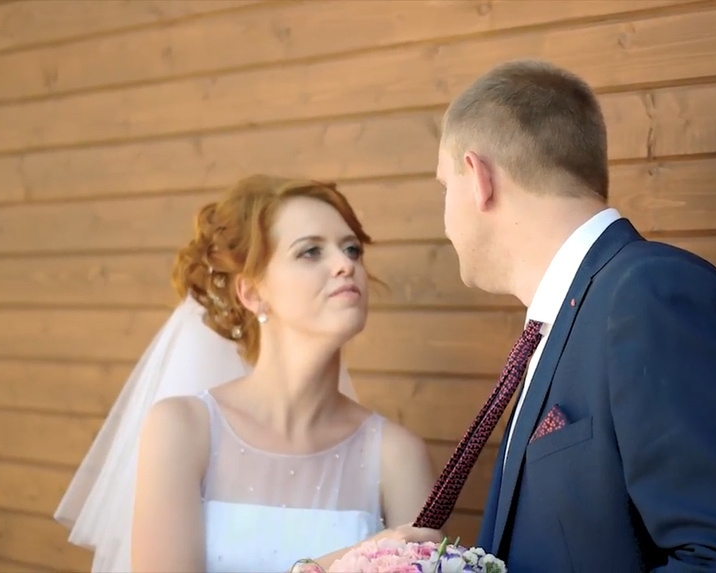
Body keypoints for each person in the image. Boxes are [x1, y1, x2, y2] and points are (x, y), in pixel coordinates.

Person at [417, 59, 716, 570]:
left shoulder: (653, 295)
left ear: (478, 178)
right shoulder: (569, 319)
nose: (445, 221)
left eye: (444, 187)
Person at [55, 175, 440, 573]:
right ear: (252, 293)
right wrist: (353, 559)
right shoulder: (183, 428)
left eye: (352, 249)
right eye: (310, 251)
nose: (346, 265)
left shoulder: (397, 455)